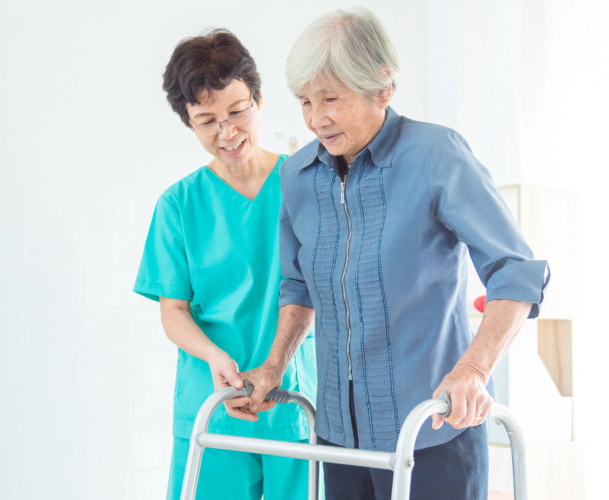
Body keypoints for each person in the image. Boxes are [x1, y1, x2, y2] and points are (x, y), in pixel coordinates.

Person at [224, 8, 550, 499]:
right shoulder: (297, 177)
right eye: (305, 102)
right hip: (339, 438)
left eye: (331, 98)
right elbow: (297, 286)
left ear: (383, 87)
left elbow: (516, 272)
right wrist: (275, 365)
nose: (316, 119)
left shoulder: (436, 155)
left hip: (434, 431)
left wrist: (473, 371)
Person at [134, 29, 318, 500]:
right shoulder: (178, 205)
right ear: (189, 122)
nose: (227, 132)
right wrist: (215, 357)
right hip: (213, 406)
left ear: (258, 99)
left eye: (238, 111)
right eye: (207, 121)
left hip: (293, 405)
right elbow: (172, 311)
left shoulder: (303, 186)